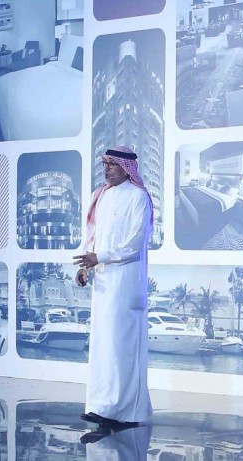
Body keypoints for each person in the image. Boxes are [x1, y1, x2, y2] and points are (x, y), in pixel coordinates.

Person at [74, 146, 154, 426]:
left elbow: (135, 242)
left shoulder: (138, 197)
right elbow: (93, 236)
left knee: (122, 346)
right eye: (104, 163)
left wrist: (101, 257)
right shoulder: (101, 195)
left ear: (127, 168)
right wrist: (85, 266)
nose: (106, 168)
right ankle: (102, 407)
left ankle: (126, 412)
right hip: (103, 281)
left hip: (125, 281)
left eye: (112, 164)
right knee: (103, 345)